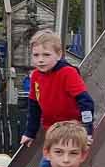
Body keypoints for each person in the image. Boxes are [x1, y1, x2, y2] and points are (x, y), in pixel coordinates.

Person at [19, 29, 95, 157]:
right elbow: (34, 108)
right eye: (36, 55)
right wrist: (30, 133)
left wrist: (87, 130)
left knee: (60, 164)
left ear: (59, 55)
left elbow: (86, 102)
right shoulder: (35, 76)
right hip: (52, 132)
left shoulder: (67, 73)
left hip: (72, 130)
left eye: (46, 55)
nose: (40, 60)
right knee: (47, 165)